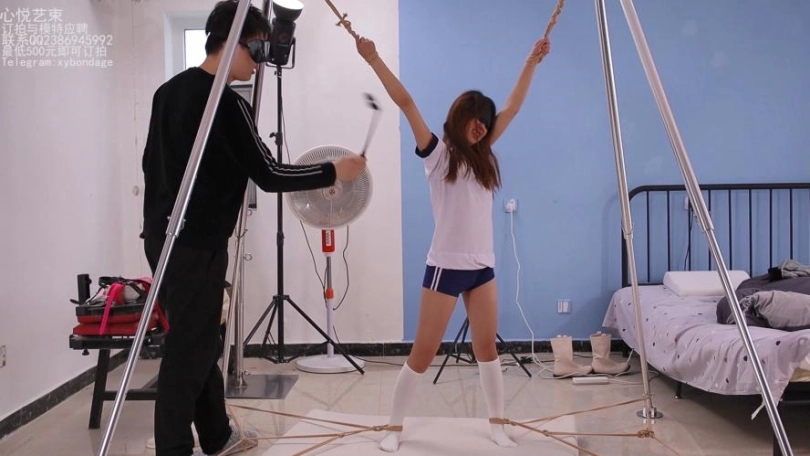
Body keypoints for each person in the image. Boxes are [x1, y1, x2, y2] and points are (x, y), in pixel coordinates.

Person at [141, 1, 367, 455]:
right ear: (231, 42)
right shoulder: (227, 105)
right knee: (188, 349)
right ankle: (173, 448)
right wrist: (333, 172)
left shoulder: (167, 92)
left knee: (201, 340)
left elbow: (151, 165)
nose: (260, 62)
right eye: (257, 48)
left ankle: (216, 434)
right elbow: (270, 173)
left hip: (162, 239)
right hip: (197, 243)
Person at [355, 34, 551, 452]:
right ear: (459, 117)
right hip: (445, 267)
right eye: (475, 118)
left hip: (482, 268)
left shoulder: (484, 158)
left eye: (486, 121)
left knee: (487, 349)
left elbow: (513, 106)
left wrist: (531, 61)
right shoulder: (437, 155)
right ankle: (394, 427)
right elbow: (407, 102)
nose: (482, 125)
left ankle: (497, 424)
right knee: (423, 353)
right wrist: (373, 59)